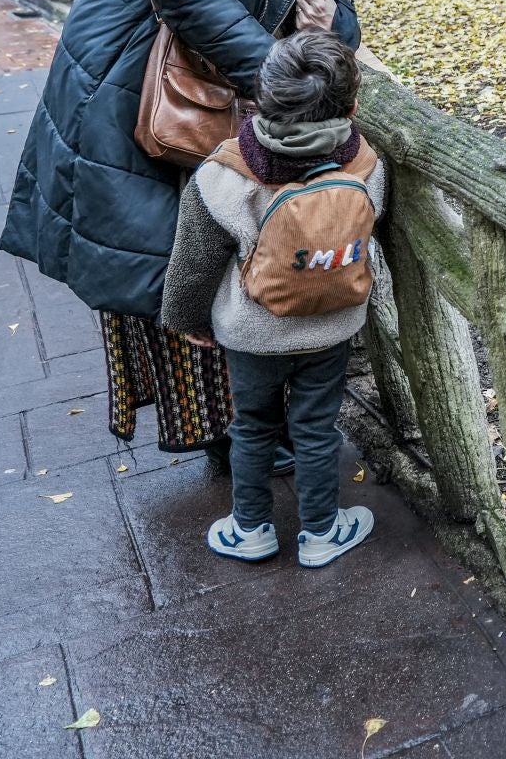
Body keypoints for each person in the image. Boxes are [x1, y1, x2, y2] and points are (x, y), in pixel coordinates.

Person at [0, 0, 369, 458]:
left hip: (233, 84)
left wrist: (333, 33)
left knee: (231, 243)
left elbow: (333, 4)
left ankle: (257, 429)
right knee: (178, 255)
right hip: (140, 82)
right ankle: (224, 437)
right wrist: (283, 77)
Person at [161, 32, 384, 567]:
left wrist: (188, 319)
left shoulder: (222, 174)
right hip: (332, 325)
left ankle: (251, 527)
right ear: (352, 107)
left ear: (256, 101)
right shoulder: (368, 167)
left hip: (252, 332)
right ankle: (323, 531)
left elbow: (193, 261)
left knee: (254, 426)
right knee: (315, 426)